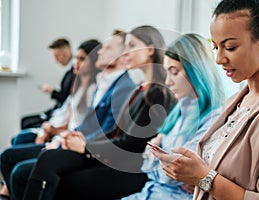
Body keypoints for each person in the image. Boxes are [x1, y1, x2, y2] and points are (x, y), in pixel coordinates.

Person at [152, 0, 259, 199]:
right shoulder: (234, 101)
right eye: (215, 48)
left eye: (230, 47)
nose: (219, 59)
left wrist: (203, 177)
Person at [22, 25, 176, 200]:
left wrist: (87, 148)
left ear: (149, 50)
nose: (125, 52)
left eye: (131, 46)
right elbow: (115, 131)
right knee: (49, 158)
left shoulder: (157, 93)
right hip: (112, 155)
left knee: (59, 175)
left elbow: (131, 143)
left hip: (128, 167)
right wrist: (83, 141)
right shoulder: (141, 89)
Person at [0, 30, 138, 200]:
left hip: (90, 150)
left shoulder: (123, 88)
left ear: (122, 55)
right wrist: (65, 137)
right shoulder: (106, 83)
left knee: (25, 168)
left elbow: (109, 131)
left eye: (107, 48)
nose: (100, 51)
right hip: (80, 142)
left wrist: (73, 141)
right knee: (16, 163)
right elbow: (86, 124)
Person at [122, 33, 224, 200]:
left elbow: (175, 173)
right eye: (166, 73)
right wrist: (155, 156)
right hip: (149, 191)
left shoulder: (213, 118)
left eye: (174, 72)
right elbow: (150, 168)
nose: (168, 82)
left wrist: (155, 152)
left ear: (196, 71)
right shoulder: (179, 110)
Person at [21, 38, 76, 129]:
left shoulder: (74, 74)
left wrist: (52, 91)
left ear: (66, 53)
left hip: (61, 115)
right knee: (25, 121)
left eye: (57, 56)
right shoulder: (69, 73)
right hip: (58, 112)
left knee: (26, 123)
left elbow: (65, 99)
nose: (56, 61)